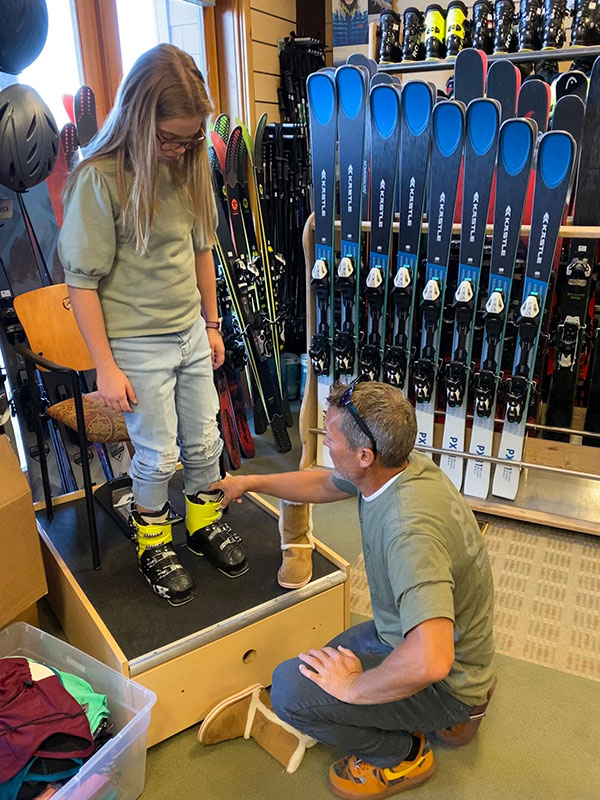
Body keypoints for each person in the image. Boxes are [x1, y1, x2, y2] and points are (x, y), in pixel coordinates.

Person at [198, 381, 495, 798]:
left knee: (291, 690)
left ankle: (404, 753)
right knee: (319, 663)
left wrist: (353, 688)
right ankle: (454, 708)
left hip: (447, 680)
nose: (324, 443)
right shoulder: (401, 466)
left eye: (330, 437)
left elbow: (432, 659)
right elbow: (322, 485)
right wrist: (250, 484)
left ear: (364, 455)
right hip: (422, 638)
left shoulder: (408, 532)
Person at [58, 44, 247, 608]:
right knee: (158, 455)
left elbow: (201, 252)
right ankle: (154, 544)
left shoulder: (188, 167)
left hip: (190, 331)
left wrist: (212, 326)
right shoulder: (100, 179)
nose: (181, 149)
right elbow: (81, 283)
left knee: (206, 442)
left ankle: (203, 522)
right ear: (139, 120)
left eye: (191, 139)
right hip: (136, 346)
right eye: (170, 139)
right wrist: (105, 367)